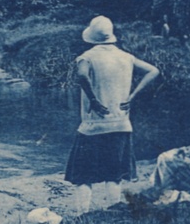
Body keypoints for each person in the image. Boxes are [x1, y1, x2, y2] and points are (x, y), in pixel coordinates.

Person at [64, 16, 160, 213]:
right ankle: (112, 211)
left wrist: (93, 100)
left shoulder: (87, 57)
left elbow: (81, 75)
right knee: (114, 173)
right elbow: (153, 71)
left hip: (93, 126)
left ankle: (82, 213)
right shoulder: (126, 57)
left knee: (83, 175)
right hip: (121, 124)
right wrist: (132, 96)